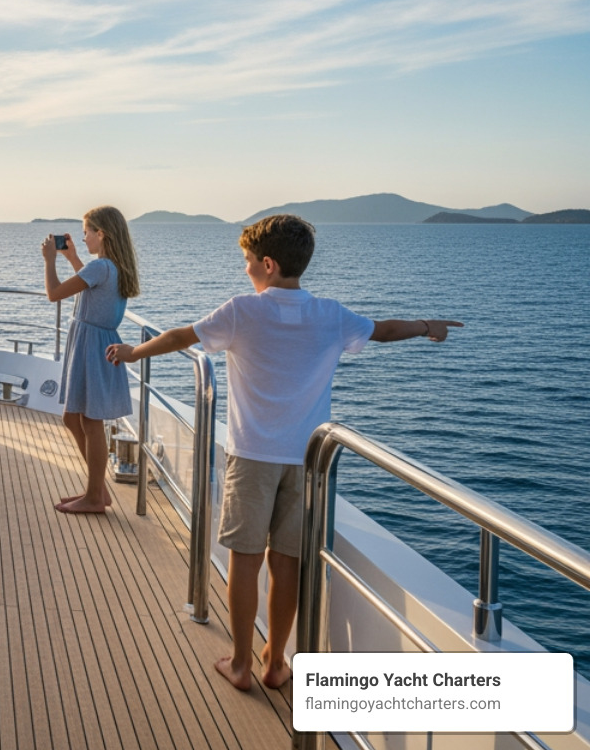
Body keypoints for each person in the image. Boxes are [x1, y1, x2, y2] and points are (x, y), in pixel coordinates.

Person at [105, 215, 461, 692]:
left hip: (252, 457)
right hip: (309, 462)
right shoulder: (330, 314)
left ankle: (240, 665)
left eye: (248, 262)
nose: (245, 270)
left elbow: (179, 337)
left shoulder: (242, 311)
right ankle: (276, 662)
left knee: (245, 561)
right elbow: (383, 330)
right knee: (286, 563)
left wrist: (133, 353)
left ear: (268, 265)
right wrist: (427, 326)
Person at [42, 205, 141, 515]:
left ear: (101, 234)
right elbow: (92, 288)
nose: (83, 237)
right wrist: (71, 259)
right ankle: (97, 490)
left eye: (86, 232)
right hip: (95, 342)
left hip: (91, 345)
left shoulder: (101, 268)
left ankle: (95, 496)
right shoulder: (109, 267)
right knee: (74, 418)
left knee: (89, 420)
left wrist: (49, 261)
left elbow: (54, 294)